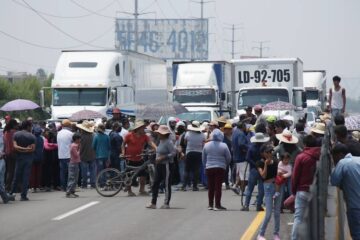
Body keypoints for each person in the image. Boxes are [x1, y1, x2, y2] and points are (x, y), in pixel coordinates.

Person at [291, 135, 321, 240]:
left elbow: (295, 176)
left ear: (305, 144)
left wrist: (294, 191)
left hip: (302, 190)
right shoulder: (322, 156)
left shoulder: (301, 157)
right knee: (313, 219)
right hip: (317, 192)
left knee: (298, 218)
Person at [331, 144, 360, 239]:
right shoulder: (358, 159)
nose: (335, 161)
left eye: (334, 158)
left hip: (355, 206)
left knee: (357, 234)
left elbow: (334, 181)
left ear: (339, 154)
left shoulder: (343, 163)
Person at [122, 119, 157, 196]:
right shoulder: (129, 135)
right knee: (129, 175)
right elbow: (123, 144)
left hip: (139, 158)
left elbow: (150, 143)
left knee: (143, 174)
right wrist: (123, 153)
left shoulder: (144, 136)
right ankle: (129, 191)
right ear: (138, 128)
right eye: (142, 128)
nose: (143, 129)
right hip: (130, 158)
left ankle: (142, 190)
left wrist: (156, 149)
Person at [146, 125, 176, 209]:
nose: (158, 134)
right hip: (159, 165)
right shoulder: (160, 141)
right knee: (155, 183)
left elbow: (173, 153)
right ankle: (153, 203)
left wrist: (163, 157)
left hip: (166, 165)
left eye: (159, 132)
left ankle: (166, 203)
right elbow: (159, 150)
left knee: (166, 184)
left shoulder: (168, 142)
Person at [256, 144, 281, 240]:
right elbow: (263, 175)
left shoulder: (276, 161)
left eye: (271, 151)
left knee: (277, 212)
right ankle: (261, 234)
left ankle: (276, 233)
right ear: (263, 153)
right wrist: (266, 164)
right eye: (268, 152)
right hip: (267, 187)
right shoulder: (260, 163)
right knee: (269, 212)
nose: (270, 153)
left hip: (278, 186)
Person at [202, 129, 231, 211]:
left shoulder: (206, 145)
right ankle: (217, 205)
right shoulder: (224, 145)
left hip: (209, 167)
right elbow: (228, 157)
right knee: (218, 187)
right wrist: (225, 164)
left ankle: (210, 205)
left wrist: (205, 166)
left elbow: (203, 158)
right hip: (220, 167)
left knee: (211, 187)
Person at [242, 132, 268, 212]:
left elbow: (247, 158)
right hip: (262, 169)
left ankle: (246, 205)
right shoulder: (264, 149)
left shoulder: (251, 148)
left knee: (250, 188)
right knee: (261, 189)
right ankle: (259, 205)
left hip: (253, 169)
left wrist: (255, 164)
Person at [10, 120, 36, 201]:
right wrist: (26, 149)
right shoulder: (32, 136)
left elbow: (15, 146)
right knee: (26, 177)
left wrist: (21, 150)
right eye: (31, 126)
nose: (31, 128)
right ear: (28, 126)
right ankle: (23, 195)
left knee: (16, 176)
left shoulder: (16, 134)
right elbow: (32, 149)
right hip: (28, 158)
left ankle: (11, 194)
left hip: (19, 157)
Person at [182, 121, 205, 191]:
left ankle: (184, 186)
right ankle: (195, 186)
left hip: (189, 152)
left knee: (187, 170)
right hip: (199, 153)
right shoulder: (202, 135)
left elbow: (185, 142)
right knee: (196, 170)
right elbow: (203, 144)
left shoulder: (188, 134)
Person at [76, 121, 96, 189]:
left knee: (84, 171)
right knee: (92, 170)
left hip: (83, 155)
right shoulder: (93, 135)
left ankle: (84, 184)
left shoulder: (80, 137)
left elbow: (78, 146)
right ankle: (93, 184)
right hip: (92, 155)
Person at [231, 121, 249, 194]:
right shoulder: (241, 134)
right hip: (242, 157)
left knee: (240, 173)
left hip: (236, 156)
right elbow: (241, 144)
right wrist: (248, 148)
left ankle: (235, 186)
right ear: (243, 126)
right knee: (244, 175)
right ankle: (242, 191)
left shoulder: (235, 132)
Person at [57, 119, 74, 191]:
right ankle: (69, 187)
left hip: (61, 155)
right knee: (70, 172)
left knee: (63, 172)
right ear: (69, 125)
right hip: (69, 155)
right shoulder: (71, 133)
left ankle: (63, 187)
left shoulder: (59, 133)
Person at [0, 126, 15, 203]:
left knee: (1, 180)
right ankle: (5, 196)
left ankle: (5, 196)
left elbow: (6, 146)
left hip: (2, 159)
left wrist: (5, 153)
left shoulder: (2, 134)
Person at [3, 119, 18, 192]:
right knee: (14, 171)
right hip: (13, 153)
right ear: (13, 125)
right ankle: (11, 187)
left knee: (9, 171)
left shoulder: (5, 132)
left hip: (7, 153)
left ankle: (7, 187)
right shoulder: (14, 132)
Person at [66, 133, 81, 198]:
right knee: (72, 178)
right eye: (79, 139)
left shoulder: (75, 145)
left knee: (75, 178)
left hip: (75, 163)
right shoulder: (74, 146)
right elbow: (76, 155)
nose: (80, 140)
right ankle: (69, 192)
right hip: (73, 163)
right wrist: (79, 149)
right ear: (76, 139)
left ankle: (72, 191)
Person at [29, 126, 44, 192]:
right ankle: (37, 186)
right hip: (40, 157)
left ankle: (32, 187)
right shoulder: (41, 139)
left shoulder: (31, 138)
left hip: (32, 157)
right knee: (38, 173)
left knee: (32, 173)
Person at [222, 123, 233, 189]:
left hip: (233, 155)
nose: (227, 130)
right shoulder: (222, 137)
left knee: (233, 169)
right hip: (225, 155)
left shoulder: (233, 136)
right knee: (226, 170)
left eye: (229, 129)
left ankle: (233, 182)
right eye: (226, 129)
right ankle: (227, 183)